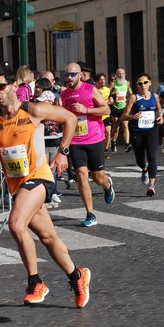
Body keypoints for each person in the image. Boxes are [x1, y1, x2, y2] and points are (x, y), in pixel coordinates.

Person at [0, 68, 91, 308]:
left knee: (16, 224)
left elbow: (69, 118)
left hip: (39, 178)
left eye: (0, 87)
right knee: (48, 237)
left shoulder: (33, 110)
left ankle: (35, 282)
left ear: (14, 85)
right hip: (18, 187)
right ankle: (77, 276)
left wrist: (63, 152)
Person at [60, 62, 115, 227]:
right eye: (67, 75)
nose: (69, 78)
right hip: (75, 141)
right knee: (81, 175)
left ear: (79, 75)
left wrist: (87, 110)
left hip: (94, 139)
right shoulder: (64, 95)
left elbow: (106, 110)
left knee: (97, 175)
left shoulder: (90, 89)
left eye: (72, 74)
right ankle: (90, 213)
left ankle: (107, 185)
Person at [122, 73, 163, 196]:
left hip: (152, 130)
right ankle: (144, 169)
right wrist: (133, 116)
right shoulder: (134, 98)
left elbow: (159, 111)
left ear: (149, 83)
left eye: (145, 82)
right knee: (140, 160)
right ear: (137, 86)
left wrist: (160, 117)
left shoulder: (155, 96)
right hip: (137, 132)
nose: (143, 85)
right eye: (140, 83)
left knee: (152, 157)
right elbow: (124, 116)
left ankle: (151, 185)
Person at [109, 67, 132, 153]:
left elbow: (131, 93)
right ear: (116, 75)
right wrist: (113, 93)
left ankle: (127, 144)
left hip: (124, 107)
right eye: (119, 74)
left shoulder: (127, 83)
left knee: (125, 126)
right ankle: (114, 141)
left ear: (125, 75)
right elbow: (107, 93)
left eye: (122, 74)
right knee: (116, 127)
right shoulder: (113, 83)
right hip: (115, 107)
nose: (120, 75)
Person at [95, 72, 112, 157]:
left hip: (106, 115)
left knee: (108, 132)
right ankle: (100, 150)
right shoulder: (95, 90)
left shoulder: (108, 90)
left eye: (104, 79)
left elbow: (111, 100)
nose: (102, 81)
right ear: (97, 81)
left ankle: (105, 150)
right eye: (100, 80)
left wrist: (109, 101)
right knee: (100, 134)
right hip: (98, 116)